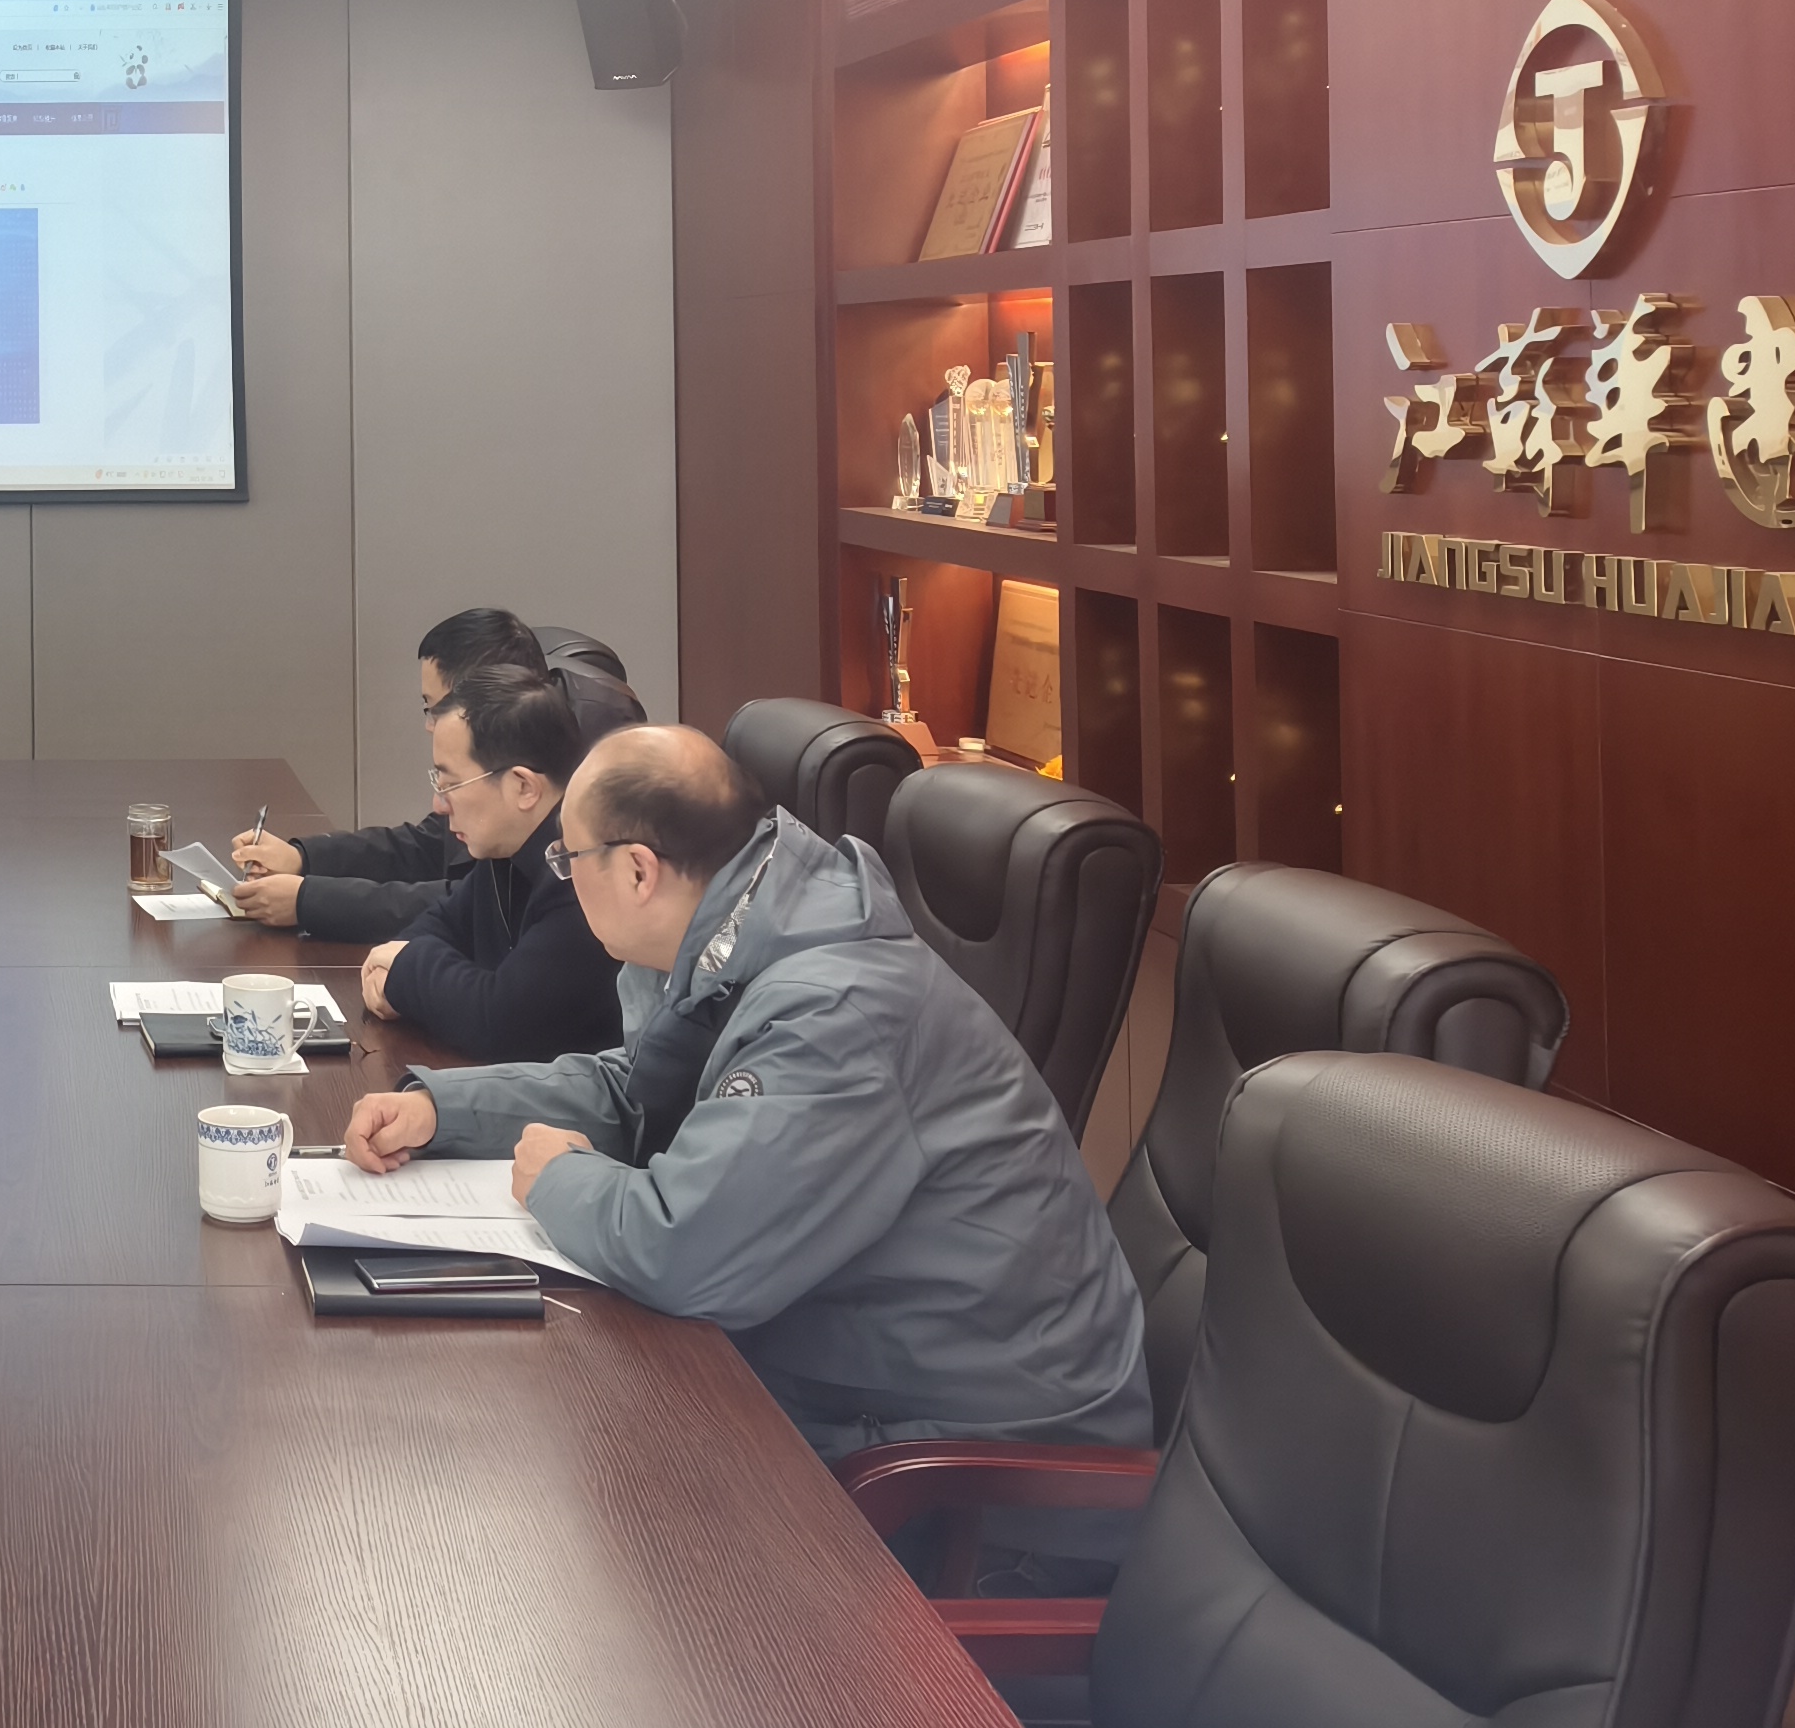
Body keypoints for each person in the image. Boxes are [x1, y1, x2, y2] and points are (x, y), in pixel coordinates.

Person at [340, 725, 1149, 1455]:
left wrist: (560, 1179)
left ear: (638, 869)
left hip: (973, 1461)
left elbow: (684, 1251)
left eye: (568, 858)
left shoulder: (833, 1011)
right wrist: (444, 1110)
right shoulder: (740, 923)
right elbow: (637, 1095)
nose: (562, 877)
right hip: (841, 1373)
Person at [226, 609, 631, 933]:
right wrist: (303, 858)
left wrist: (308, 900)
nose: (430, 724)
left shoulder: (575, 782)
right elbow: (426, 846)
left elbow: (463, 905)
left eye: (435, 707)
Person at [354, 658, 640, 1062]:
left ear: (523, 787)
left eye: (451, 784)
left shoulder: (581, 867)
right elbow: (437, 926)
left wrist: (404, 972)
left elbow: (502, 1022)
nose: (438, 804)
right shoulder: (507, 849)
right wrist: (420, 971)